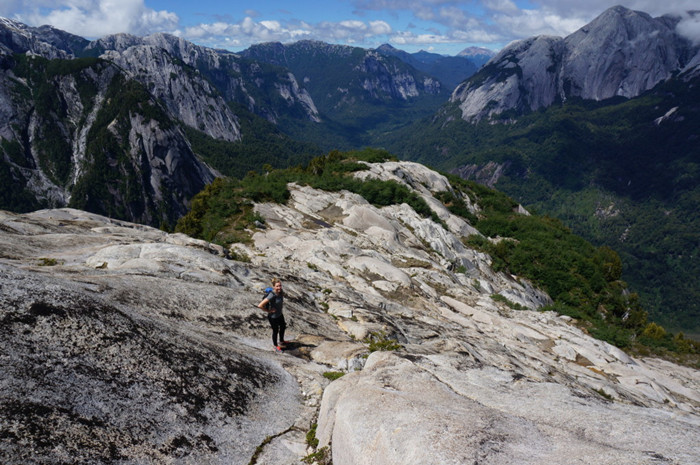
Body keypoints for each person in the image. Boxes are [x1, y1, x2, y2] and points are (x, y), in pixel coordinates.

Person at [258, 278, 287, 352]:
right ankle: (275, 346)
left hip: (280, 314)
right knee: (275, 330)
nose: (279, 287)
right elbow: (260, 305)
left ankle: (281, 341)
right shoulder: (272, 295)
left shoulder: (280, 292)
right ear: (274, 287)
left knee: (283, 326)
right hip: (273, 317)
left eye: (280, 286)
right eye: (277, 286)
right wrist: (269, 310)